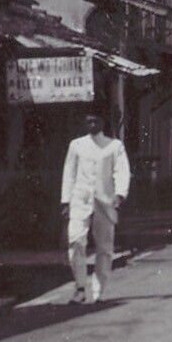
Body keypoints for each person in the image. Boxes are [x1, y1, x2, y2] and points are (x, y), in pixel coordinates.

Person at [59, 111, 131, 304]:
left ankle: (99, 290)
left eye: (96, 121)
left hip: (105, 201)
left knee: (105, 247)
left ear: (102, 122)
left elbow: (121, 171)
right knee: (76, 241)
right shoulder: (76, 145)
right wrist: (66, 200)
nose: (92, 124)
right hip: (80, 200)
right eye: (88, 121)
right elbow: (69, 173)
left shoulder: (114, 146)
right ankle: (80, 287)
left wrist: (119, 194)